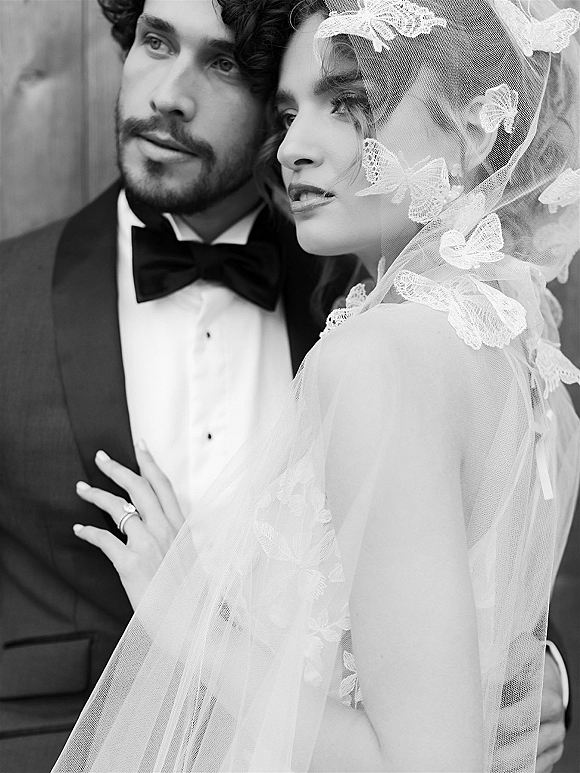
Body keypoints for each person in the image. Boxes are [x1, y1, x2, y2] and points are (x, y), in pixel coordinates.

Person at [50, 0, 580, 771]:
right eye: (292, 113)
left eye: (350, 103)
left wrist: (186, 614)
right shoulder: (529, 360)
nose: (293, 146)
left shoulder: (375, 355)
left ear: (472, 131)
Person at [0, 1, 358, 770]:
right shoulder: (6, 300)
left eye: (223, 62)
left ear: (283, 110)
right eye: (155, 42)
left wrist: (545, 675)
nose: (167, 93)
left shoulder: (360, 302)